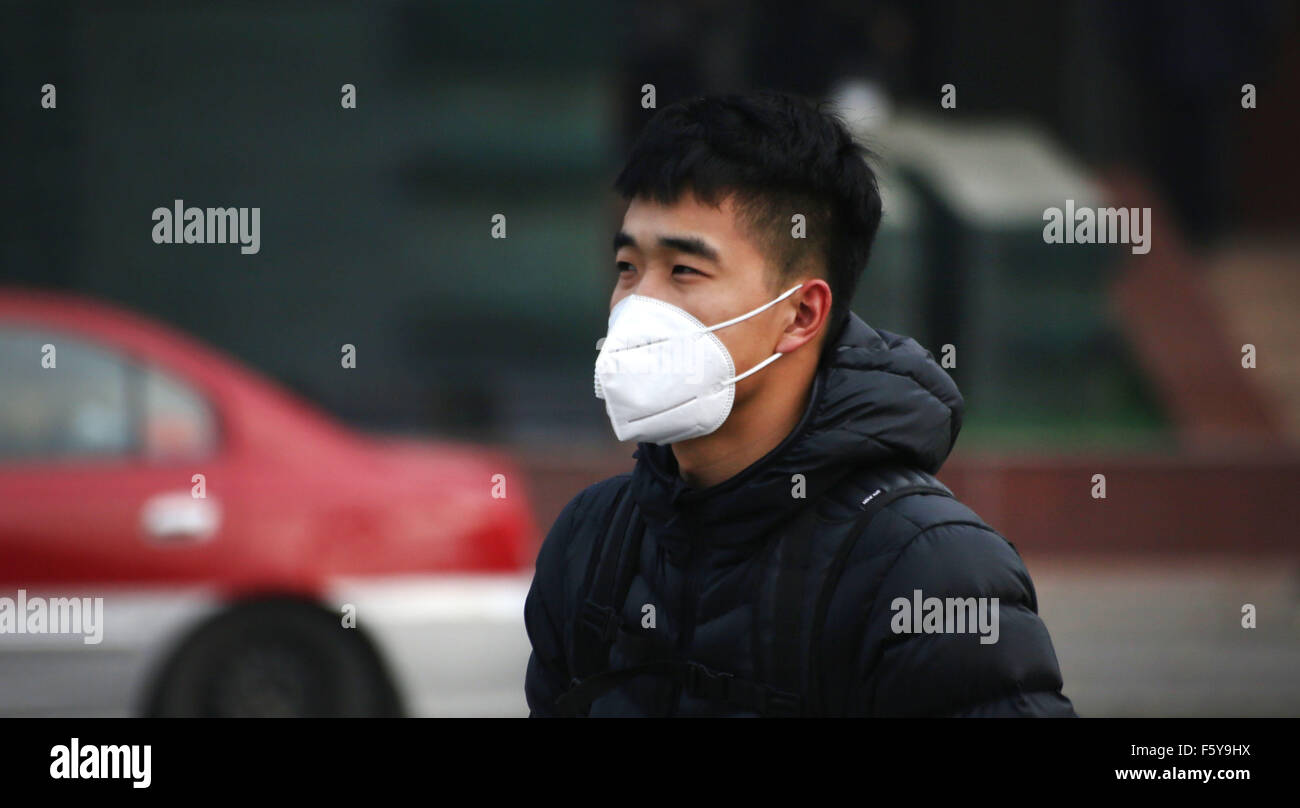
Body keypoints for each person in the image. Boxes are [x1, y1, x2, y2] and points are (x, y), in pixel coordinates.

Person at [524, 90, 1076, 717]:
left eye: (684, 271)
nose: (636, 306)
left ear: (801, 314)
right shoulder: (593, 543)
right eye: (627, 266)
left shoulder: (930, 569)